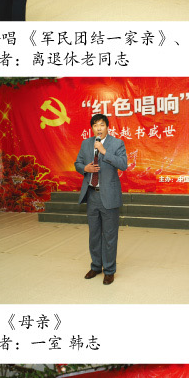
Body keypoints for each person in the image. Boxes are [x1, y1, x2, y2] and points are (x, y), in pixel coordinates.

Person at [74, 112, 128, 286]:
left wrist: (104, 152)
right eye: (95, 125)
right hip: (92, 195)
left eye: (102, 125)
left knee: (110, 235)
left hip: (109, 196)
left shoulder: (117, 143)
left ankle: (109, 270)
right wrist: (85, 168)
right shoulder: (86, 144)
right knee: (94, 234)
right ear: (92, 128)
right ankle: (96, 266)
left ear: (107, 127)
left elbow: (123, 164)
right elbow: (77, 164)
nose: (98, 128)